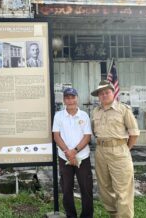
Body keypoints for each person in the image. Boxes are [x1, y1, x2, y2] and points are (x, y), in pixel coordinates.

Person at [91, 80, 140, 218]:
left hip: (119, 151)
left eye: (107, 92)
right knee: (105, 188)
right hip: (100, 151)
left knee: (123, 189)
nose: (104, 95)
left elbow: (134, 133)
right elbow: (94, 132)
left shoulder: (123, 110)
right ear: (98, 96)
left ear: (113, 93)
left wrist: (124, 149)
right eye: (101, 93)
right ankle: (114, 214)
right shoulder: (96, 111)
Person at [52, 87, 94, 218]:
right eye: (67, 98)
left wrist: (74, 152)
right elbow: (56, 136)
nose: (70, 100)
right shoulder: (58, 116)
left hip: (82, 157)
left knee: (86, 189)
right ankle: (71, 215)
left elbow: (87, 136)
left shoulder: (84, 115)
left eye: (72, 97)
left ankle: (87, 216)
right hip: (64, 157)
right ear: (64, 100)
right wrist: (67, 153)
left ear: (77, 98)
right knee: (66, 189)